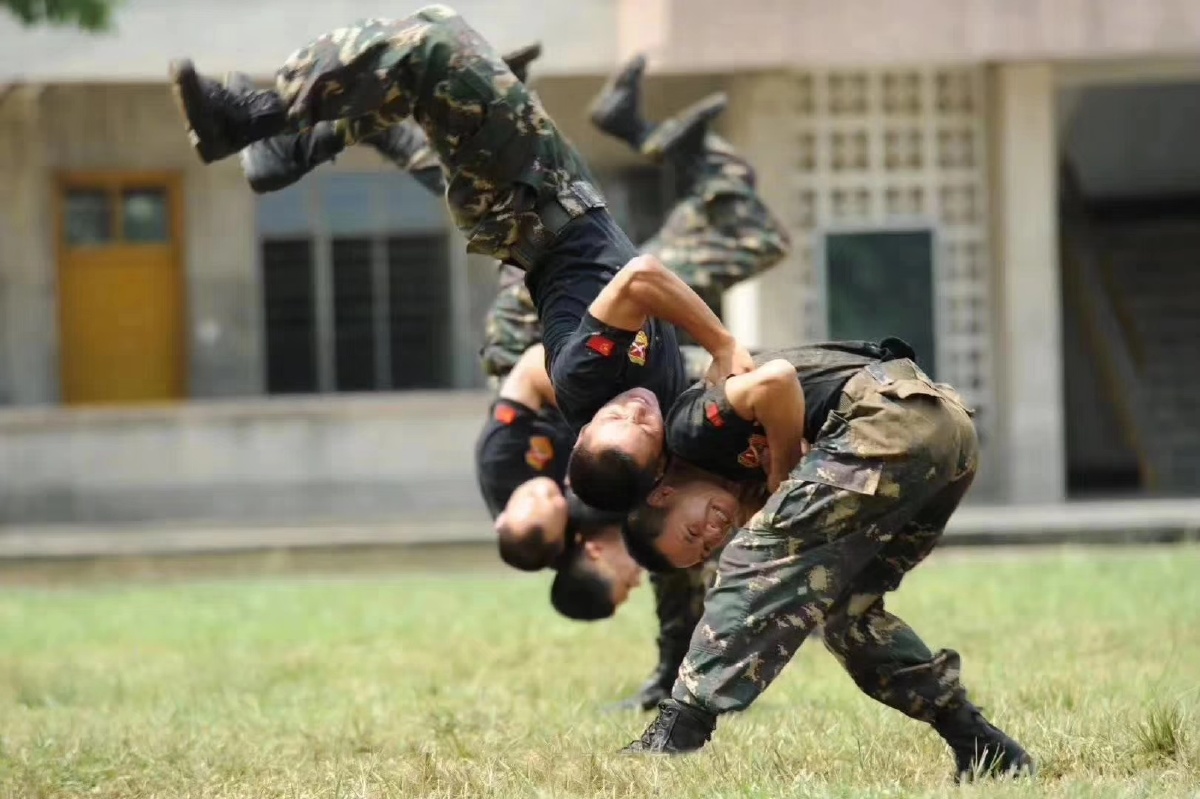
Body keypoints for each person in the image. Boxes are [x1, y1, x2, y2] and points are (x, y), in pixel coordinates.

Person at [167, 5, 756, 516]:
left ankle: (250, 119)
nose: (636, 412)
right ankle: (285, 152)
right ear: (659, 464)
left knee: (435, 40)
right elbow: (729, 444)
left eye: (618, 423)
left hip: (521, 202)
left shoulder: (585, 380)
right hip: (561, 193)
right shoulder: (666, 418)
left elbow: (643, 278)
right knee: (420, 88)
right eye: (643, 429)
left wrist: (723, 342)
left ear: (580, 439)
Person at [618, 342, 1036, 781]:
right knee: (846, 617)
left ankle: (680, 727)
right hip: (943, 433)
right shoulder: (734, 474)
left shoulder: (692, 427)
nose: (711, 535)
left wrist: (783, 469)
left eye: (692, 532)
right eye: (704, 548)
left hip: (889, 421)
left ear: (664, 494)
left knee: (751, 558)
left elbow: (776, 379)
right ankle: (982, 745)